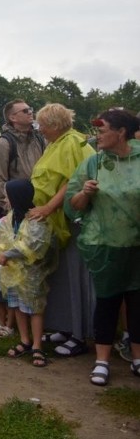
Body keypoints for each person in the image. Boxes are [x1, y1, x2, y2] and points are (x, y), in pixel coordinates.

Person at [65, 109, 140, 385]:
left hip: (136, 244)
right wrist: (84, 193)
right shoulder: (94, 163)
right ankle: (102, 361)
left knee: (137, 302)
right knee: (107, 302)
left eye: (103, 129)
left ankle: (137, 358)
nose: (97, 134)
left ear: (120, 132)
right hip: (104, 245)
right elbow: (72, 205)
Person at [30, 103, 96, 357]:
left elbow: (71, 182)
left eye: (42, 124)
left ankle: (79, 334)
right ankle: (66, 326)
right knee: (61, 277)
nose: (40, 129)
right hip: (59, 222)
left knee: (76, 277)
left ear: (55, 125)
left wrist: (47, 208)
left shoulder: (71, 143)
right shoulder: (57, 142)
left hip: (72, 220)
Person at [0, 179, 59, 367]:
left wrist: (8, 253)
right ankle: (25, 340)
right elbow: (2, 237)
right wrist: (1, 253)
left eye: (8, 195)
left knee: (34, 308)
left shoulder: (36, 218)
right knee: (17, 306)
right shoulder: (11, 217)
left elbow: (34, 244)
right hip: (13, 271)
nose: (7, 199)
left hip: (32, 272)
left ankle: (38, 345)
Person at [0, 99, 45, 215]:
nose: (30, 112)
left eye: (30, 109)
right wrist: (9, 208)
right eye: (25, 111)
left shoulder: (39, 139)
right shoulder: (4, 143)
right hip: (18, 205)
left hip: (42, 204)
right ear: (12, 118)